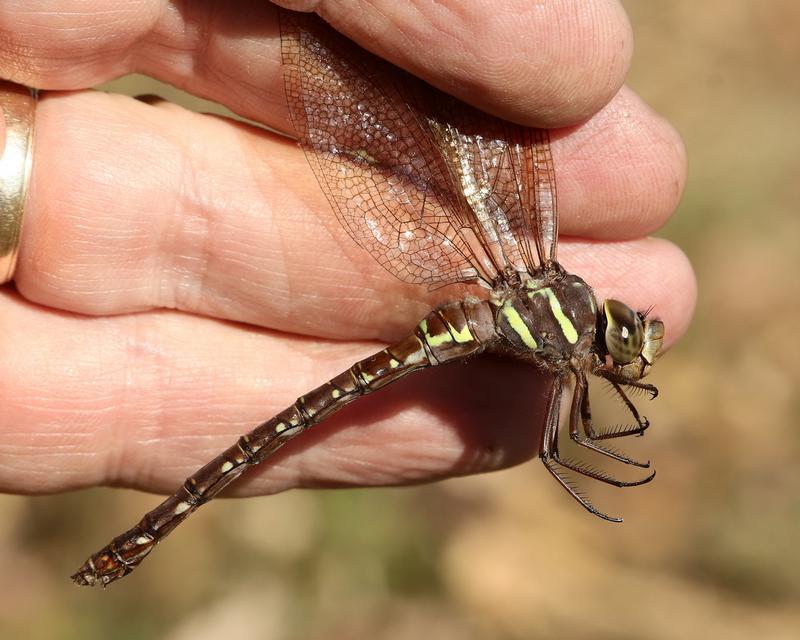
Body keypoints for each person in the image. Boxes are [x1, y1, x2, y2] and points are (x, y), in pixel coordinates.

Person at [0, 1, 694, 503]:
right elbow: (561, 445)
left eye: (630, 339)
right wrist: (595, 452)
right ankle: (175, 511)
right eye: (628, 341)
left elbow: (569, 430)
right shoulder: (565, 333)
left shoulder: (558, 325)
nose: (627, 349)